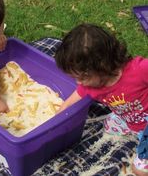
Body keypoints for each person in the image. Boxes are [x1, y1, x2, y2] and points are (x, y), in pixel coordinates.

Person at [55, 23, 148, 176]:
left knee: (139, 171)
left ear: (103, 65)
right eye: (75, 78)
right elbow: (75, 97)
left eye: (83, 77)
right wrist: (59, 114)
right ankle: (133, 126)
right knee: (108, 126)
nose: (79, 82)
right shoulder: (90, 84)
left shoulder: (138, 70)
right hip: (129, 118)